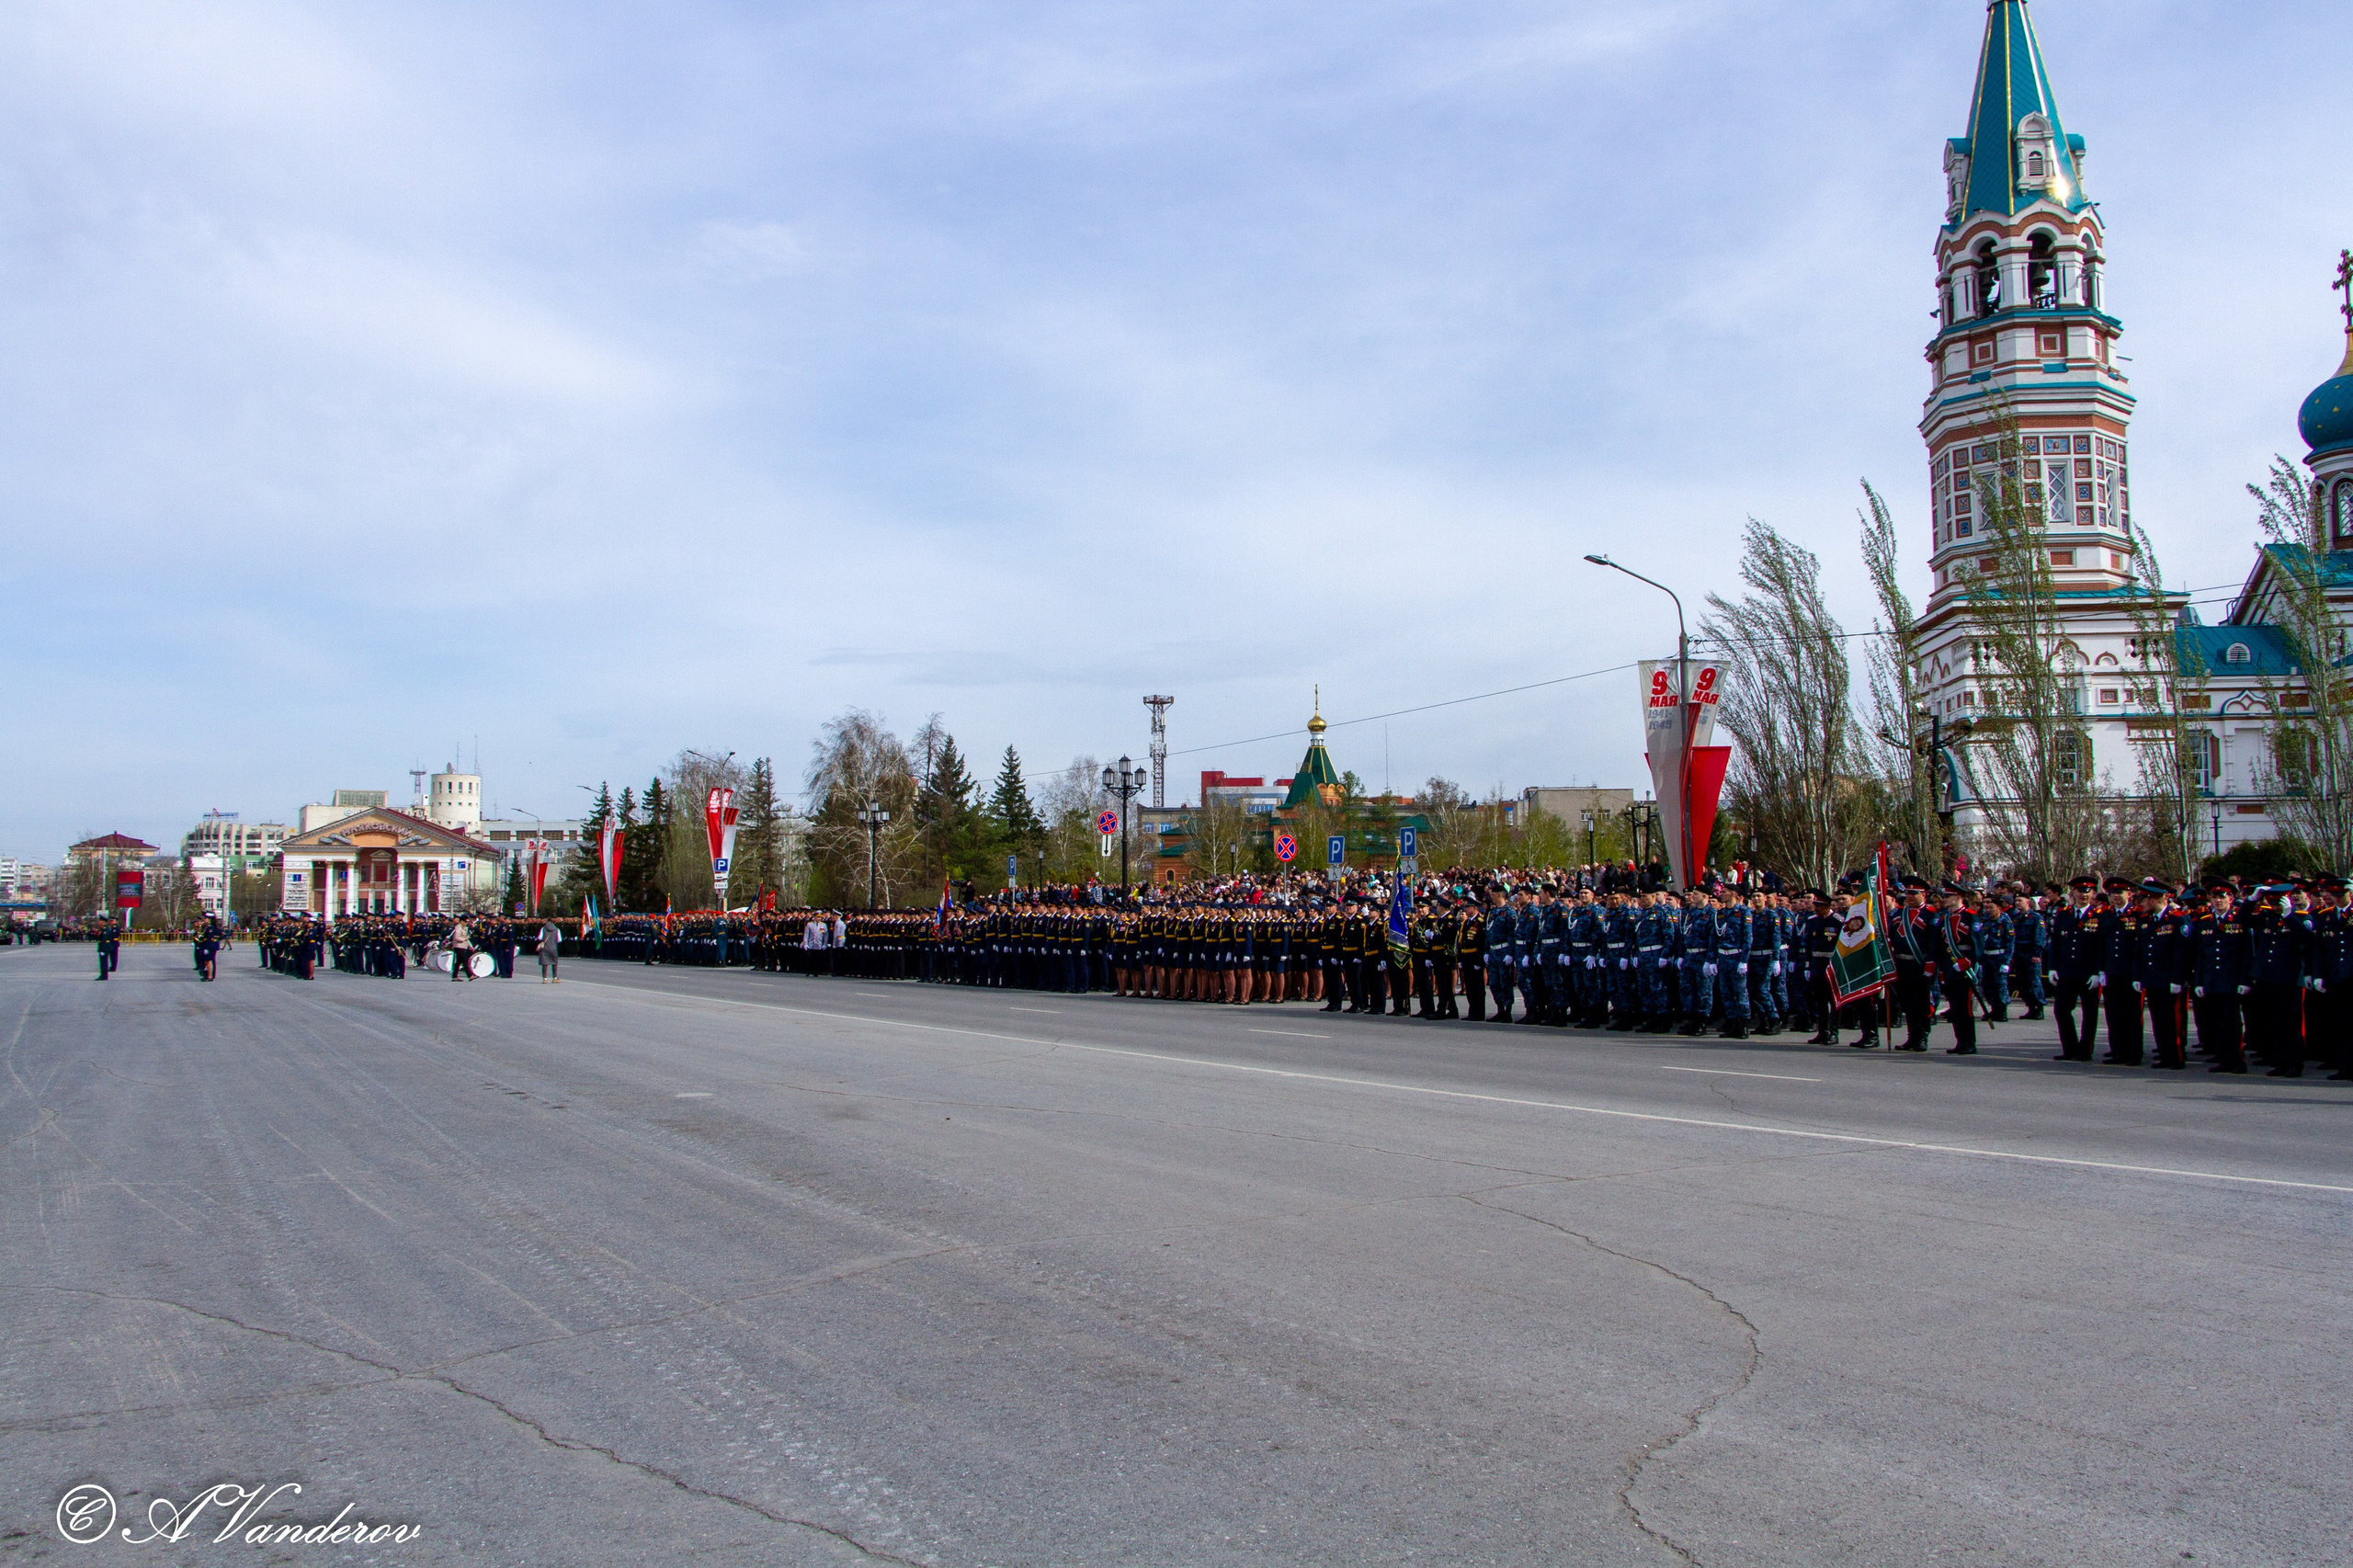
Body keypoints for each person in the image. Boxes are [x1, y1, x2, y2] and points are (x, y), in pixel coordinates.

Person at [538, 917, 563, 983]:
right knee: (554, 963)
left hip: (544, 948)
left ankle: (545, 979)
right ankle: (555, 978)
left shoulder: (543, 928)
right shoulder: (557, 929)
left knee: (545, 963)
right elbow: (559, 940)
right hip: (553, 948)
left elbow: (539, 937)